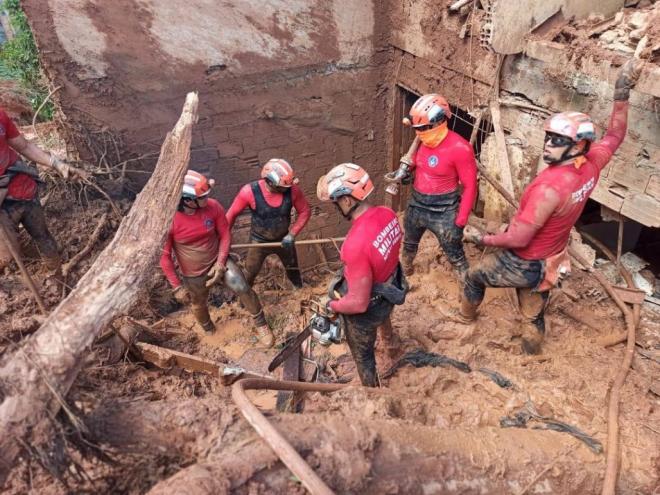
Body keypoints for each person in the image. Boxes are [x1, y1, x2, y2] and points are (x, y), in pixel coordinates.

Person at [460, 58, 642, 354]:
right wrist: (622, 92)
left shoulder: (549, 189)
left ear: (578, 145)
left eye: (557, 140)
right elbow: (615, 135)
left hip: (523, 260)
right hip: (552, 259)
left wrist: (481, 238)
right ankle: (531, 356)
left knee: (473, 276)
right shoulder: (592, 164)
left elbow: (519, 239)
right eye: (549, 137)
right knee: (533, 312)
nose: (547, 144)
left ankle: (465, 318)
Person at [316, 163, 408, 387]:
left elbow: (358, 303)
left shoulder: (354, 244)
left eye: (336, 202)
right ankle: (390, 342)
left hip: (370, 307)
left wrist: (331, 305)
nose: (336, 207)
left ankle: (371, 389)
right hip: (392, 286)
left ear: (347, 200)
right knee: (382, 313)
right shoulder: (388, 214)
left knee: (363, 355)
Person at [160, 170, 274, 346]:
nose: (207, 198)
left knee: (242, 286)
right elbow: (165, 257)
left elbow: (225, 235)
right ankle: (209, 329)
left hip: (218, 261)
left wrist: (220, 263)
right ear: (188, 201)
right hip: (193, 274)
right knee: (198, 304)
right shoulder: (170, 221)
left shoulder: (213, 207)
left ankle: (261, 324)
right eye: (202, 196)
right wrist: (176, 287)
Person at [387, 94, 477, 282]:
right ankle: (406, 274)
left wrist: (460, 222)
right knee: (409, 245)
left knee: (455, 255)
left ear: (439, 121)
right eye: (418, 129)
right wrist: (405, 171)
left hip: (444, 211)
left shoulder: (460, 148)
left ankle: (468, 292)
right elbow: (420, 164)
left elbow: (470, 188)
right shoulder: (424, 140)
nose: (420, 133)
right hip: (417, 204)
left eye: (424, 128)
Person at [0, 107, 87, 273]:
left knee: (43, 236)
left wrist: (57, 164)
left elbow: (24, 146)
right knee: (7, 256)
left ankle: (56, 274)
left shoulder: (0, 116)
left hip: (22, 189)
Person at [226, 159, 311, 288]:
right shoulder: (249, 192)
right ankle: (245, 301)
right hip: (258, 241)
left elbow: (305, 211)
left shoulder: (293, 191)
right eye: (283, 186)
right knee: (250, 272)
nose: (287, 189)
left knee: (293, 269)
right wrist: (224, 240)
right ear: (270, 182)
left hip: (284, 239)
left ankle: (300, 291)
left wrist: (292, 234)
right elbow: (231, 215)